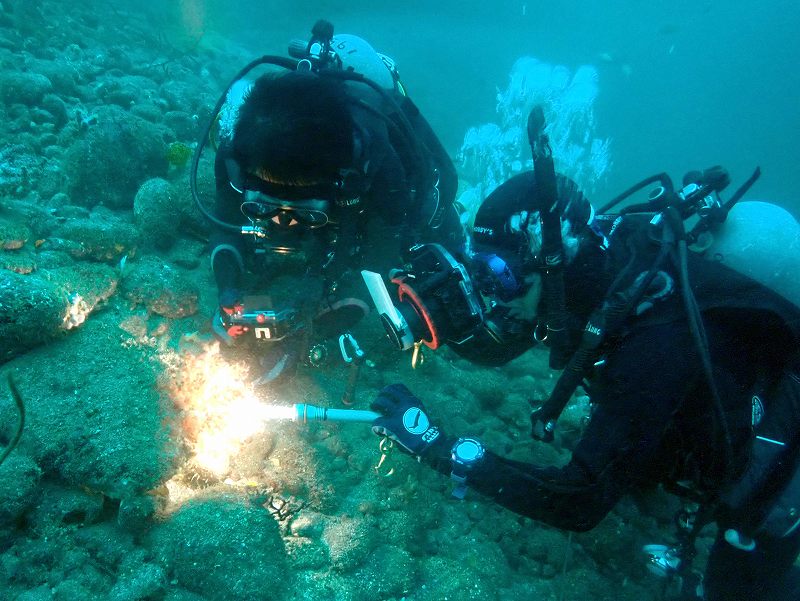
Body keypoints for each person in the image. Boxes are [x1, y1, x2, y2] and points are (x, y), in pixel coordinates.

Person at [366, 115, 800, 600]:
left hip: (783, 455)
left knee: (739, 580)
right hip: (681, 395)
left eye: (501, 273)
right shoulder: (594, 258)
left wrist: (438, 447)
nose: (493, 293)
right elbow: (500, 345)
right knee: (645, 449)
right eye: (481, 267)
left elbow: (579, 502)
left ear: (548, 262)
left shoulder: (655, 341)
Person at [199, 20, 464, 381]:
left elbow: (381, 259)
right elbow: (224, 225)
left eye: (306, 215)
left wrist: (315, 315)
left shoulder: (376, 165)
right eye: (263, 208)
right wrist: (228, 286)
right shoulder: (237, 153)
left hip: (379, 192)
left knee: (433, 233)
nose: (282, 223)